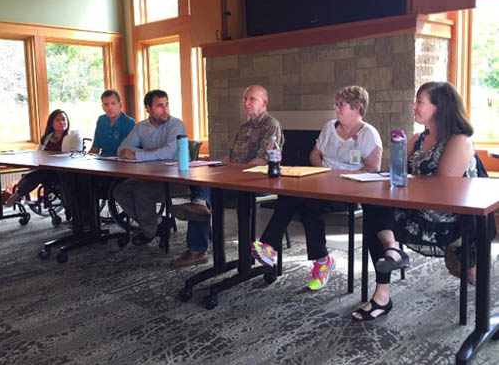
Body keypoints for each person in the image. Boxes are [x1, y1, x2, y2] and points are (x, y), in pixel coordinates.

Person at [351, 81, 477, 321]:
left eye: (420, 101)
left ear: (440, 107)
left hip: (445, 217)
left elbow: (443, 189)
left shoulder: (459, 141)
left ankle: (390, 261)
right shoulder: (416, 140)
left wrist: (403, 182)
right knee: (372, 202)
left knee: (378, 209)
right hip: (415, 209)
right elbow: (397, 175)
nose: (413, 106)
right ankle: (387, 274)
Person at [251, 85, 382, 291]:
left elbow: (373, 169)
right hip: (322, 186)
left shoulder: (369, 134)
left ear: (357, 108)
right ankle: (306, 257)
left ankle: (286, 250)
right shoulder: (330, 127)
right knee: (293, 194)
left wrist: (337, 178)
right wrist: (323, 174)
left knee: (307, 203)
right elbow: (314, 155)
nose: (337, 109)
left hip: (349, 191)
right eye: (336, 104)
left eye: (342, 105)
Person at [169, 84, 283, 268]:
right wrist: (217, 166)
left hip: (255, 182)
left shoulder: (271, 125)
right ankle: (198, 241)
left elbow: (262, 161)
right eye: (245, 99)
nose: (246, 103)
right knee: (202, 181)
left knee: (203, 193)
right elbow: (231, 157)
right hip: (233, 180)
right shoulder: (244, 127)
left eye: (252, 99)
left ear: (264, 102)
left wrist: (229, 173)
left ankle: (198, 240)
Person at [113, 89, 186, 245]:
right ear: (148, 108)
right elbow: (122, 149)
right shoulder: (141, 127)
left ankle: (149, 231)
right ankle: (158, 222)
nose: (165, 109)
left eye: (167, 105)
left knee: (141, 191)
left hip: (174, 177)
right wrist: (145, 151)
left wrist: (138, 154)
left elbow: (169, 152)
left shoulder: (176, 124)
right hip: (148, 176)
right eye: (160, 106)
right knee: (119, 191)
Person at [5, 109, 82, 207]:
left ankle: (17, 194)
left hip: (64, 172)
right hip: (46, 170)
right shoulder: (47, 138)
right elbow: (39, 155)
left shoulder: (74, 135)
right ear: (52, 124)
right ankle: (20, 191)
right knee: (40, 173)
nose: (62, 122)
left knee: (38, 175)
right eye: (58, 120)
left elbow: (77, 155)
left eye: (64, 119)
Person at [89, 89, 135, 157]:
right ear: (102, 107)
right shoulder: (101, 120)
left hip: (123, 163)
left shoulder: (129, 123)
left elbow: (131, 152)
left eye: (113, 103)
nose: (110, 108)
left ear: (120, 105)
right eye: (106, 104)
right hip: (103, 162)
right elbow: (95, 148)